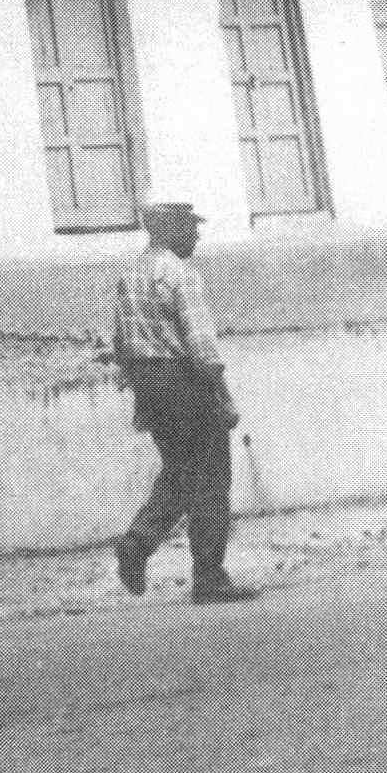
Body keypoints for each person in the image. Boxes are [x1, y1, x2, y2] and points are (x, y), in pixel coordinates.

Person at [110, 200, 258, 604]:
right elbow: (202, 346)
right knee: (210, 478)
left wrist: (143, 390)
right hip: (185, 382)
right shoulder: (180, 275)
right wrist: (223, 395)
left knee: (180, 471)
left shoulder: (130, 275)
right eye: (190, 228)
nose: (196, 235)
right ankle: (209, 577)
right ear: (170, 230)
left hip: (149, 383)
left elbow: (121, 342)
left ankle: (137, 544)